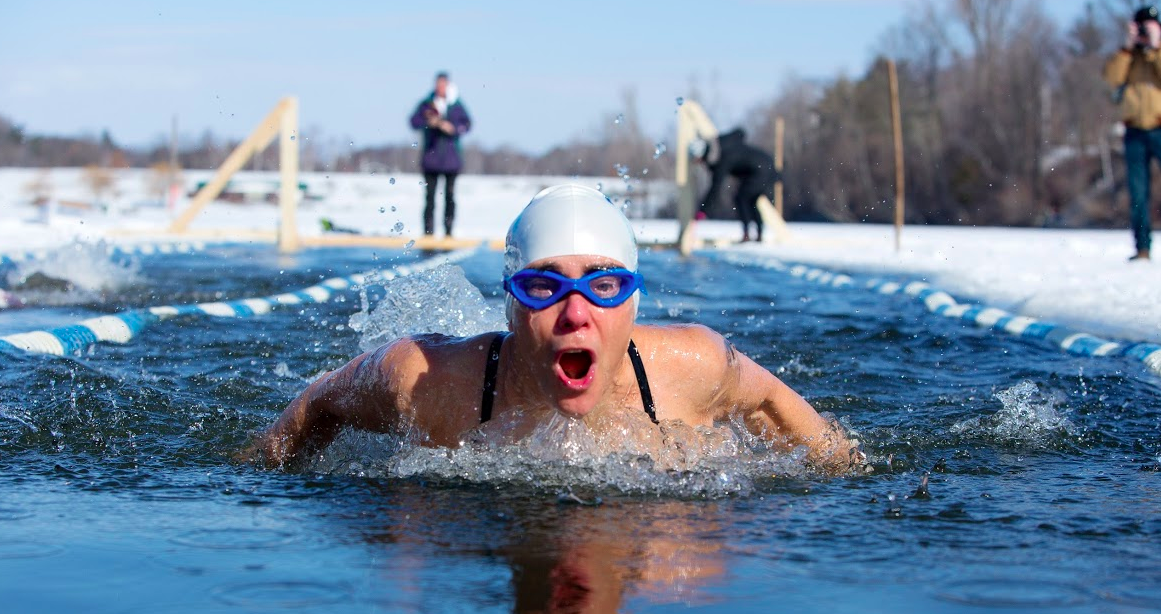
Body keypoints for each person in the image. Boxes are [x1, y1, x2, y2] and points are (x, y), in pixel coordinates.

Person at [255, 184, 859, 472]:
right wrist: (256, 480)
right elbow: (320, 400)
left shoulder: (695, 368)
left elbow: (796, 421)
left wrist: (849, 477)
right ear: (510, 305)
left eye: (604, 285)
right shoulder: (425, 380)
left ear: (634, 303)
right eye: (544, 287)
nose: (576, 314)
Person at [1104, 4, 1161, 262]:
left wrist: (1156, 46)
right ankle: (1142, 248)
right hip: (1134, 131)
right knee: (1138, 193)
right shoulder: (1127, 57)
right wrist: (1128, 46)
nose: (1143, 33)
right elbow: (1112, 78)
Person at [409, 72, 472, 237]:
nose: (440, 88)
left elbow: (467, 124)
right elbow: (413, 121)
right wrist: (428, 123)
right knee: (429, 197)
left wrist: (452, 128)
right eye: (438, 85)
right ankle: (428, 232)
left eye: (443, 85)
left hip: (451, 160)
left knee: (449, 196)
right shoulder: (427, 104)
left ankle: (448, 232)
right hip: (431, 159)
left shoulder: (456, 105)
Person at [692, 128, 780, 243]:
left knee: (741, 198)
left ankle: (748, 234)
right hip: (764, 166)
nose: (700, 164)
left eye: (699, 160)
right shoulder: (720, 144)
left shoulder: (721, 159)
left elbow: (715, 189)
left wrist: (703, 210)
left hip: (761, 170)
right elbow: (740, 133)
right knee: (751, 200)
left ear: (704, 155)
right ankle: (758, 234)